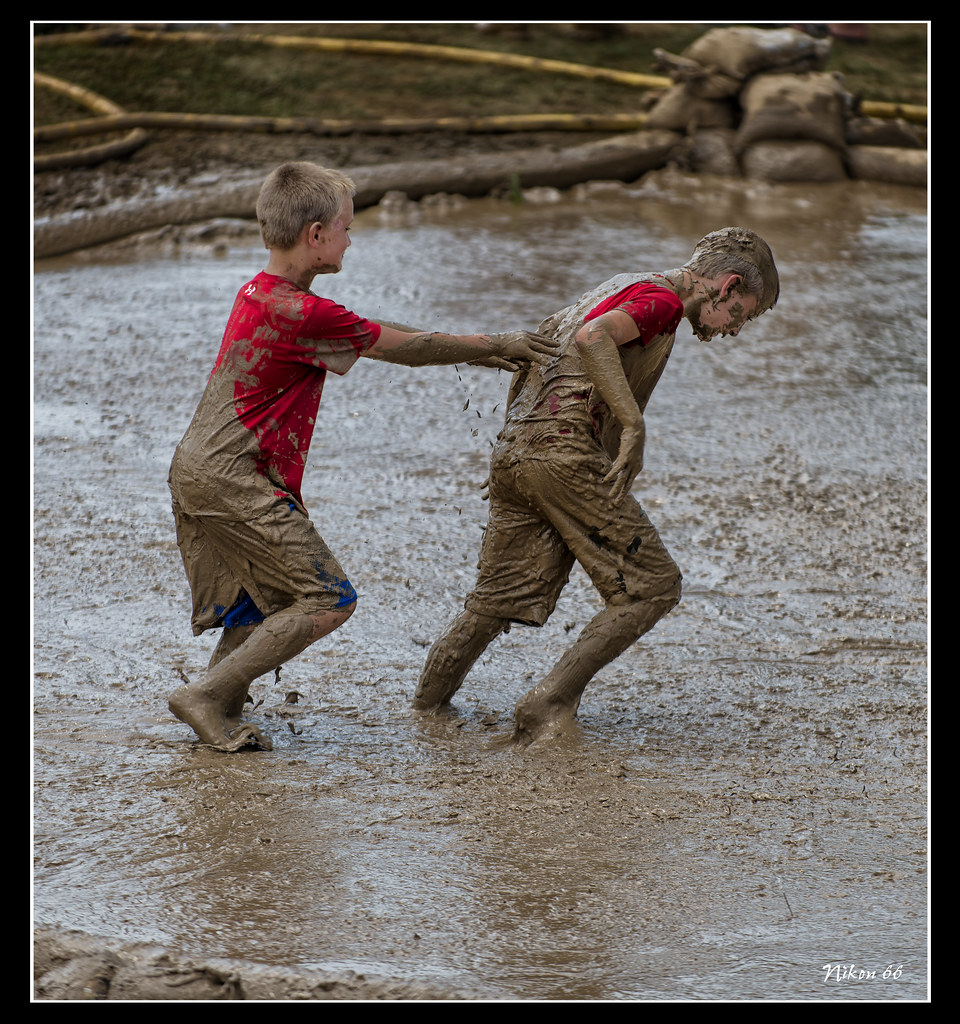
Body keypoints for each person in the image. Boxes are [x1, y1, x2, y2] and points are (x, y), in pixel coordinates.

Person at [166, 161, 557, 752]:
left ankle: (219, 703)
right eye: (347, 228)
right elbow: (409, 347)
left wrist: (485, 347)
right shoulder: (303, 312)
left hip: (203, 469)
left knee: (259, 599)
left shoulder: (264, 292)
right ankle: (202, 695)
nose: (353, 238)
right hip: (232, 476)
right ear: (315, 235)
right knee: (328, 598)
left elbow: (377, 330)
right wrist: (498, 345)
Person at [414, 227, 779, 745]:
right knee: (653, 586)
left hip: (522, 451)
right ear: (728, 285)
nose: (735, 328)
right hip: (564, 454)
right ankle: (549, 703)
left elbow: (548, 350)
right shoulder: (661, 302)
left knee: (495, 600)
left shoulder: (619, 285)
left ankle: (425, 709)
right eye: (744, 312)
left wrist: (516, 456)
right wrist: (633, 424)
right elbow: (593, 339)